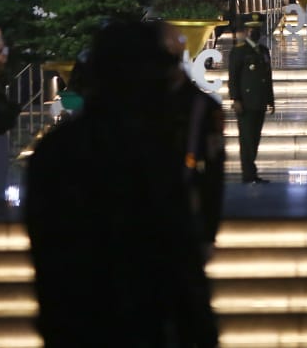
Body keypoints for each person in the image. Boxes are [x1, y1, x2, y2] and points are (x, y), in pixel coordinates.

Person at [25, 19, 218, 347]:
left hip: (78, 318)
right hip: (142, 315)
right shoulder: (150, 148)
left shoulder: (55, 148)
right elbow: (177, 244)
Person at [158, 23, 225, 255]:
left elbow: (214, 172)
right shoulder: (134, 107)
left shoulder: (202, 108)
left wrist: (208, 231)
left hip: (184, 214)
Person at [229, 15, 275, 184]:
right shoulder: (239, 51)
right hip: (246, 102)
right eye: (252, 29)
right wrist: (236, 99)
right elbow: (233, 77)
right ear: (247, 31)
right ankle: (248, 174)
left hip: (260, 101)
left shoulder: (263, 51)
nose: (255, 32)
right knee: (247, 139)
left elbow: (267, 77)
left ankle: (251, 172)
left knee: (255, 138)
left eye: (257, 29)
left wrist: (270, 99)